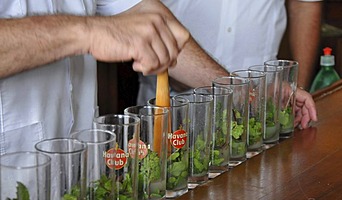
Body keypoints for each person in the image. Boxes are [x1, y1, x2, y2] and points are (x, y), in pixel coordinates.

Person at [0, 0, 190, 155]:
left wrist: (218, 84)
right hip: (15, 168)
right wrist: (87, 31)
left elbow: (138, 10)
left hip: (86, 163)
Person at [135, 0, 321, 129]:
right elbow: (133, 10)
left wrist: (295, 90)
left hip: (263, 105)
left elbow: (305, 5)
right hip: (173, 101)